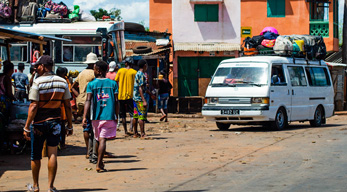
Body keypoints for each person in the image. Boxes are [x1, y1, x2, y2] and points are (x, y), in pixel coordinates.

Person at [23, 55, 73, 192]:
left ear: (44, 66)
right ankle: (51, 187)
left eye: (38, 66)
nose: (36, 68)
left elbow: (33, 106)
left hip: (38, 123)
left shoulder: (38, 82)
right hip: (55, 123)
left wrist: (26, 127)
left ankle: (35, 186)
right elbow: (67, 105)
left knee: (35, 155)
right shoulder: (62, 81)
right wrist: (70, 124)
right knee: (52, 154)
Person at [82, 61, 118, 173]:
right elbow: (116, 101)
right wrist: (117, 114)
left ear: (98, 70)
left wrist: (84, 116)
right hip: (109, 115)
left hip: (95, 117)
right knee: (102, 139)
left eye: (94, 68)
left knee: (98, 138)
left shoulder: (91, 85)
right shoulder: (113, 84)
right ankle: (99, 163)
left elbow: (88, 100)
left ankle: (99, 162)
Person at [72, 52, 97, 163]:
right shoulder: (94, 74)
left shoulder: (81, 73)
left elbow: (72, 86)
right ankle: (92, 151)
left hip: (81, 101)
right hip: (90, 101)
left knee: (85, 125)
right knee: (93, 126)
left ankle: (87, 150)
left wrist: (79, 96)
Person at [115, 57, 137, 136]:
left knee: (123, 115)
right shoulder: (134, 72)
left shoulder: (120, 71)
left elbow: (116, 81)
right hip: (131, 96)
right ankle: (131, 128)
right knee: (132, 114)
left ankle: (125, 131)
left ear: (126, 63)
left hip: (121, 96)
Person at [0, 61, 15, 150]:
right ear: (11, 70)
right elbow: (9, 93)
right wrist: (14, 99)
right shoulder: (7, 78)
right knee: (6, 121)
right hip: (3, 102)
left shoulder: (0, 75)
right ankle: (5, 140)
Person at [132, 59, 148, 138]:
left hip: (135, 97)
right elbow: (140, 88)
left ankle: (135, 133)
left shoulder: (137, 73)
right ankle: (142, 133)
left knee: (135, 115)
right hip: (139, 98)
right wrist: (144, 100)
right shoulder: (142, 75)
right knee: (141, 116)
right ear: (145, 65)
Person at [56, 67, 69, 149]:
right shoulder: (64, 82)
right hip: (62, 108)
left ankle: (59, 143)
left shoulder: (54, 80)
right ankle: (62, 143)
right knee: (62, 127)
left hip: (55, 107)